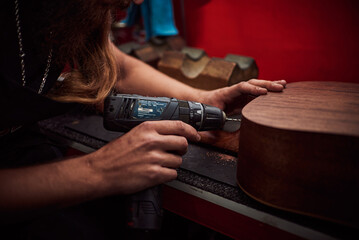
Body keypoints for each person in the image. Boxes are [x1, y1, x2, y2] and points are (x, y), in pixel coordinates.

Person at [0, 0, 286, 238]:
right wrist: (97, 171)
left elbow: (116, 65)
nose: (138, 2)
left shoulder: (61, 11)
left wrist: (201, 97)